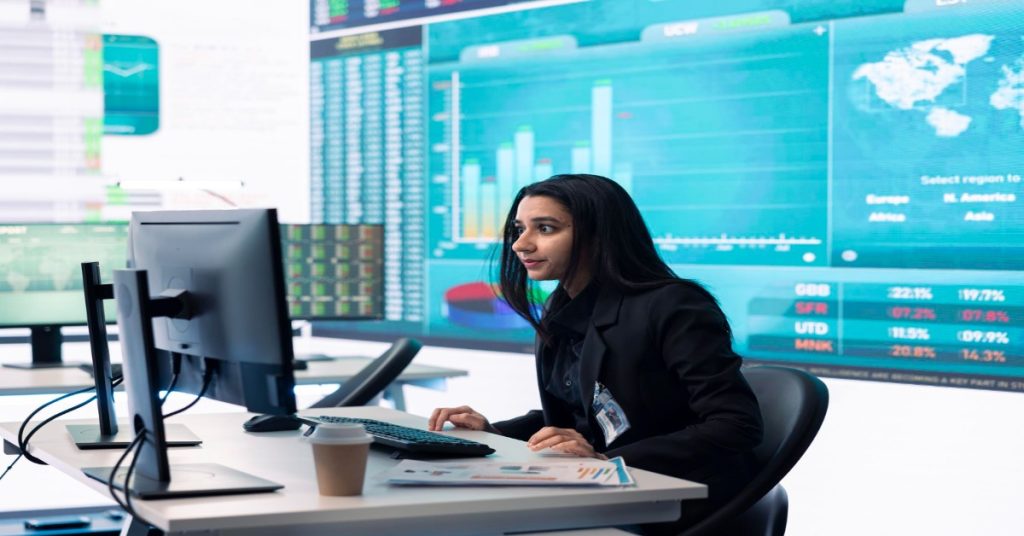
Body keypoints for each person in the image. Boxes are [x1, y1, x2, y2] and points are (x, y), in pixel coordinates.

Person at [429, 174, 763, 534]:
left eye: (545, 228)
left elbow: (736, 425)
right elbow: (579, 417)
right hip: (597, 491)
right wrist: (492, 432)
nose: (520, 245)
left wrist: (607, 459)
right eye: (519, 229)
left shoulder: (674, 306)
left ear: (598, 234)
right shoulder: (561, 307)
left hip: (675, 499)